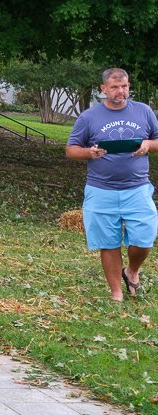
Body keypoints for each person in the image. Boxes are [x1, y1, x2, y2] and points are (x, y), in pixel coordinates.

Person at [66, 68, 158, 301]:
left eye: (125, 86)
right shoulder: (89, 117)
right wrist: (90, 152)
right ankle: (116, 292)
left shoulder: (144, 111)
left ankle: (132, 270)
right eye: (115, 87)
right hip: (101, 189)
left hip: (137, 188)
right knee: (108, 242)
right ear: (103, 89)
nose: (121, 91)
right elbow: (71, 150)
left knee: (144, 239)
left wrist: (148, 144)